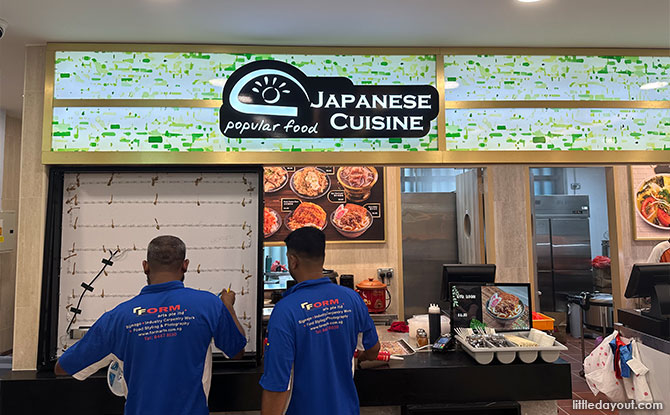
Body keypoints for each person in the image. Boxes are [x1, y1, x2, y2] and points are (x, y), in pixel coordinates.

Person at [55, 235, 247, 415]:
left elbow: (63, 368)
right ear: (185, 265)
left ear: (145, 266)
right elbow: (237, 351)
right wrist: (228, 307)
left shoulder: (117, 318)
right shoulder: (209, 305)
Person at [260, 227, 380, 415]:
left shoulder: (285, 311)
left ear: (293, 261)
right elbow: (373, 350)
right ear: (322, 258)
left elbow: (277, 383)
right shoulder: (352, 298)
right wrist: (358, 358)